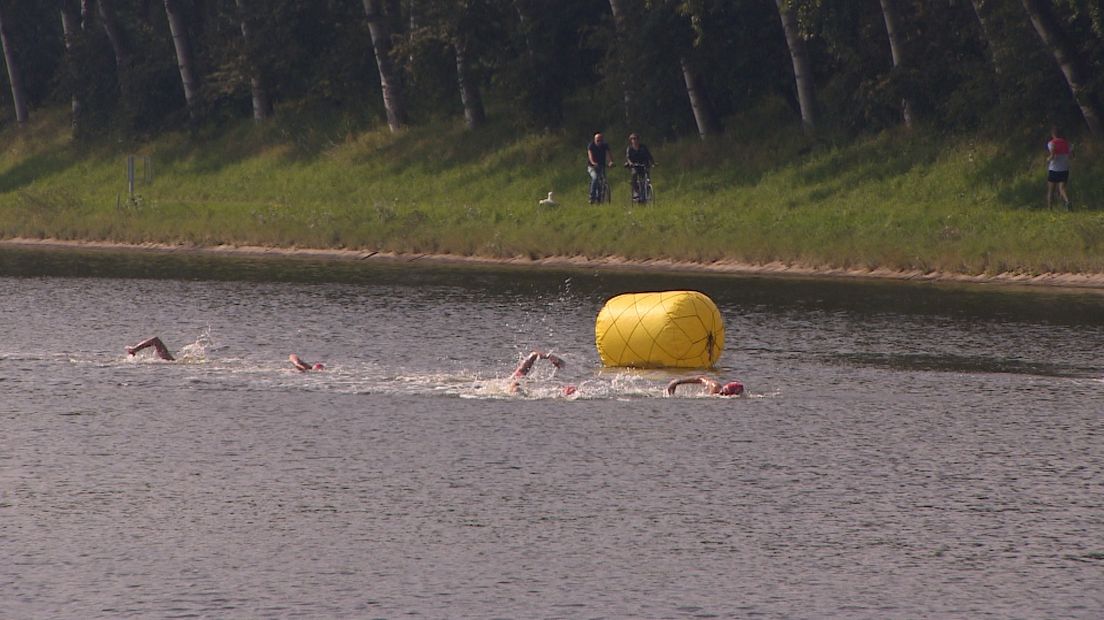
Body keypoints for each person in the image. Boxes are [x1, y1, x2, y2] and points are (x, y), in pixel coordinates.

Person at [508, 350, 576, 395]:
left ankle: (564, 391)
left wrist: (548, 356)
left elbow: (533, 355)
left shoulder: (513, 380)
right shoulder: (513, 386)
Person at [1046, 126, 1072, 210]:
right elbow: (1072, 155)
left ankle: (1050, 209)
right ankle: (1067, 201)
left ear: (1053, 134)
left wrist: (1048, 159)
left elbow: (1053, 156)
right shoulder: (1067, 143)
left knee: (1051, 190)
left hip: (1054, 169)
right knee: (1062, 188)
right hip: (1064, 169)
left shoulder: (1051, 143)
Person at [624, 133, 655, 203]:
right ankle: (636, 191)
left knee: (647, 179)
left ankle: (646, 193)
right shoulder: (630, 148)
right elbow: (628, 157)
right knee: (634, 174)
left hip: (643, 165)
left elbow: (649, 155)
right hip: (634, 165)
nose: (635, 140)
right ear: (631, 141)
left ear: (638, 139)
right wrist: (630, 163)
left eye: (636, 139)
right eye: (633, 139)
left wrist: (653, 163)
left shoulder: (643, 147)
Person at [587, 132, 613, 203]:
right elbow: (590, 156)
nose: (599, 142)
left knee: (603, 181)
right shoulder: (591, 145)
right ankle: (592, 197)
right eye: (597, 140)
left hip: (601, 166)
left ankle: (600, 198)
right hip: (592, 167)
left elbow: (608, 154)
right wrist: (593, 163)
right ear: (594, 140)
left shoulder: (605, 146)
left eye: (601, 140)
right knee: (595, 178)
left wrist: (610, 162)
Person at [666, 376, 744, 397]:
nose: (721, 393)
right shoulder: (715, 386)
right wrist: (677, 382)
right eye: (722, 392)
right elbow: (700, 378)